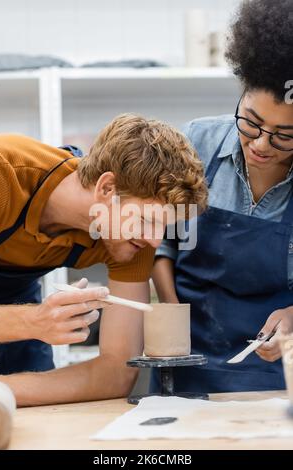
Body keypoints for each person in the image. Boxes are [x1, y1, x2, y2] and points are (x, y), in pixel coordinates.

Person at [0, 113, 207, 405]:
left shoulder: (134, 242)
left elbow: (116, 373)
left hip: (16, 309)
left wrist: (1, 390)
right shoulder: (1, 175)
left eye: (163, 227)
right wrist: (34, 321)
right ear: (107, 188)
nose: (155, 241)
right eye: (146, 219)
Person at [152, 0, 293, 393]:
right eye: (251, 121)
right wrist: (173, 316)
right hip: (184, 365)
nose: (262, 144)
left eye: (285, 134)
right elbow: (161, 244)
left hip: (277, 379)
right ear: (242, 90)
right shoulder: (194, 143)